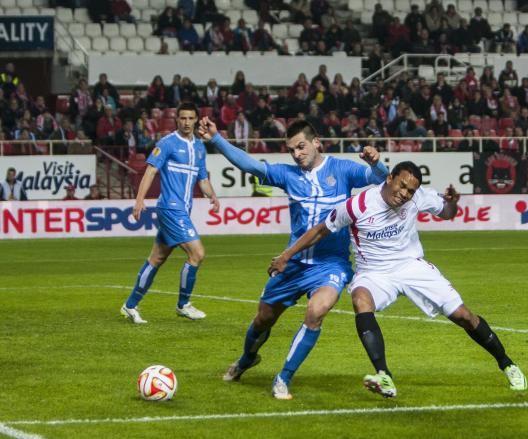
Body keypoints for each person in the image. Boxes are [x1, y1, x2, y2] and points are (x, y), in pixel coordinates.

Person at [269, 161, 528, 398]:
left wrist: (452, 202)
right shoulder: (357, 205)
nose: (405, 194)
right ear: (390, 178)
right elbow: (319, 230)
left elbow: (447, 212)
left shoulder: (419, 198)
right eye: (402, 185)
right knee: (361, 299)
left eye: (411, 191)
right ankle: (384, 376)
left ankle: (507, 364)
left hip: (411, 266)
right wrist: (286, 256)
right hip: (373, 273)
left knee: (464, 316)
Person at [197, 118, 389, 400]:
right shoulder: (288, 175)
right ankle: (248, 358)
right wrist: (216, 139)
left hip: (330, 264)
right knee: (263, 319)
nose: (297, 154)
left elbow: (380, 178)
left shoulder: (342, 170)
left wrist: (376, 163)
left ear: (316, 143)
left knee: (316, 311)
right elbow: (250, 165)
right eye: (291, 150)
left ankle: (283, 377)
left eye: (301, 147)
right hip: (293, 262)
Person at [120, 103, 220, 324]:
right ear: (177, 120)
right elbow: (151, 170)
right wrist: (139, 200)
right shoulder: (167, 143)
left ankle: (130, 305)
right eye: (182, 118)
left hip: (183, 210)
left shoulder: (200, 148)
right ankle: (183, 304)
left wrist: (212, 196)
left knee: (156, 258)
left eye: (190, 118)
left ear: (195, 120)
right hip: (170, 208)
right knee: (197, 253)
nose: (186, 122)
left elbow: (202, 179)